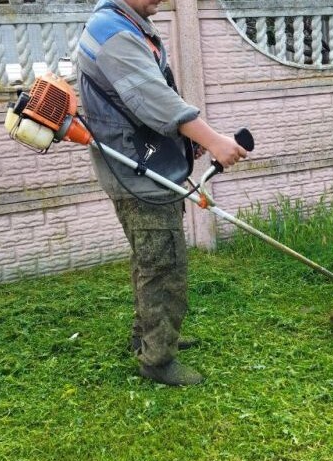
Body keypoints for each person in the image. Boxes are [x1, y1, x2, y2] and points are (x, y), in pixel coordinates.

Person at [77, 0, 248, 386]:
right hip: (139, 176)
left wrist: (188, 143)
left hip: (143, 166)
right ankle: (157, 359)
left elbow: (141, 102)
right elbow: (154, 98)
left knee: (149, 261)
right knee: (164, 268)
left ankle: (149, 336)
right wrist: (215, 140)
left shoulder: (125, 24)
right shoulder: (114, 33)